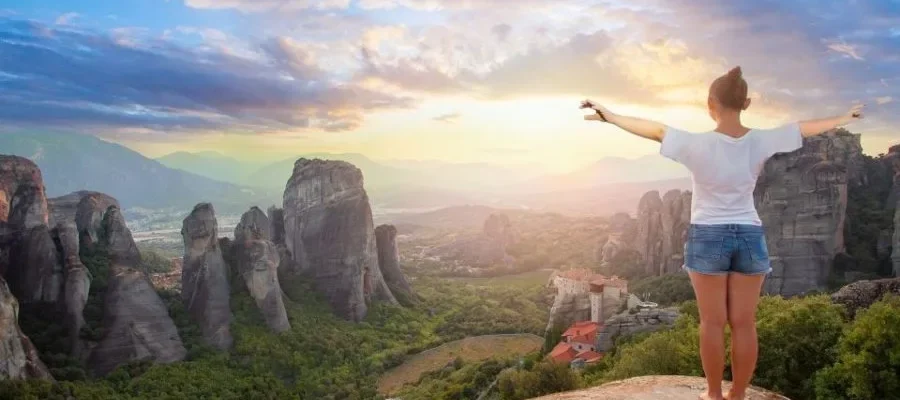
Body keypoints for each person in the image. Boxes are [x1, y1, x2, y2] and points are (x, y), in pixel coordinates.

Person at [580, 66, 864, 400]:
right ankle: (739, 394)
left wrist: (611, 116)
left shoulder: (697, 143)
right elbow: (803, 128)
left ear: (710, 104)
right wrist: (844, 117)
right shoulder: (761, 139)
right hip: (749, 234)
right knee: (744, 323)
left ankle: (714, 394)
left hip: (708, 236)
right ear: (746, 103)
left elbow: (655, 130)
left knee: (712, 323)